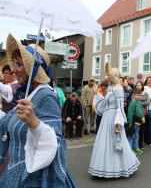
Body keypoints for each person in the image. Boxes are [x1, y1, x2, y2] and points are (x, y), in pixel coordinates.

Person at [0, 34, 77, 187]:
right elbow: (8, 123)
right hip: (15, 173)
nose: (14, 70)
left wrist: (34, 123)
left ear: (33, 67)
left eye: (19, 64)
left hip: (34, 178)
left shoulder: (46, 95)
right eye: (14, 64)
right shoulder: (28, 95)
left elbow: (57, 144)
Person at [89, 63, 139, 178]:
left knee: (117, 142)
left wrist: (118, 124)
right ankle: (103, 168)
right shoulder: (110, 88)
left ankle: (120, 168)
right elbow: (105, 104)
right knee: (105, 142)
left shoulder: (119, 89)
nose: (108, 77)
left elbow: (120, 108)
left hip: (114, 119)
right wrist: (97, 93)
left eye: (110, 75)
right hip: (106, 119)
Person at [127, 89, 145, 155]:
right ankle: (130, 149)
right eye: (137, 95)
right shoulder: (132, 103)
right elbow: (130, 114)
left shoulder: (140, 103)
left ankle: (136, 148)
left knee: (136, 136)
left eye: (140, 95)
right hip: (133, 122)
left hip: (139, 122)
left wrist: (143, 117)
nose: (139, 96)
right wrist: (130, 123)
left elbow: (142, 111)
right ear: (134, 95)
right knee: (131, 135)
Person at [134, 80, 150, 150]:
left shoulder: (146, 93)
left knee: (142, 130)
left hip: (144, 113)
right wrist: (143, 100)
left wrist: (139, 101)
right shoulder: (133, 93)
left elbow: (148, 102)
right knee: (136, 130)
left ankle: (140, 144)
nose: (138, 86)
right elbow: (133, 101)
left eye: (139, 85)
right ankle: (135, 145)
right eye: (137, 85)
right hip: (136, 114)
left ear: (142, 86)